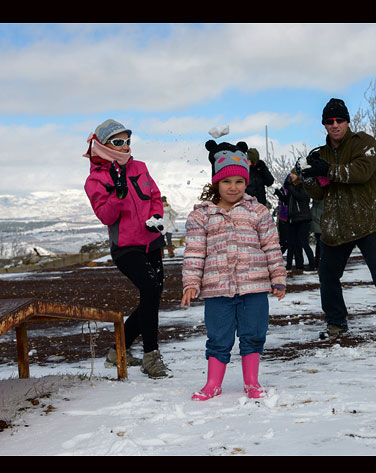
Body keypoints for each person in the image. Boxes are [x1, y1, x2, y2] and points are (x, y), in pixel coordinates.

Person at [181, 139, 286, 401]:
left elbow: (272, 247)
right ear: (216, 181)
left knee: (253, 335)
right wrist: (191, 283)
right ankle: (212, 384)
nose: (233, 187)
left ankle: (252, 382)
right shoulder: (201, 216)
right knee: (218, 337)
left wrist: (279, 278)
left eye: (239, 181)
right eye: (227, 181)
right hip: (217, 289)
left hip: (254, 287)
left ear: (247, 182)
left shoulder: (258, 212)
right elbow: (195, 253)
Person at [301, 98, 376, 340]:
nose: (335, 125)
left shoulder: (365, 143)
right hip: (336, 225)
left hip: (368, 220)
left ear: (347, 121)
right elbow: (318, 193)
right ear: (324, 125)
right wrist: (307, 176)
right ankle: (336, 323)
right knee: (327, 275)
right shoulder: (319, 154)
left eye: (339, 120)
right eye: (329, 121)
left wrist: (327, 170)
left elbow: (361, 173)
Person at [83, 119, 171, 379]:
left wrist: (156, 216)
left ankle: (116, 350)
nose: (125, 147)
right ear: (102, 145)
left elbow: (154, 195)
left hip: (151, 241)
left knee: (152, 296)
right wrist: (117, 195)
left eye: (127, 141)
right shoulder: (95, 180)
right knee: (150, 291)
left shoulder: (140, 167)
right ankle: (150, 356)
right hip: (126, 248)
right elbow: (107, 217)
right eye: (118, 142)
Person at [284, 170, 315, 272]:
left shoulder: (303, 186)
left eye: (293, 174)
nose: (291, 175)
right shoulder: (292, 187)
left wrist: (290, 188)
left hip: (303, 218)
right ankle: (299, 265)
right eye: (291, 174)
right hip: (295, 219)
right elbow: (289, 202)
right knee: (296, 244)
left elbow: (301, 197)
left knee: (304, 243)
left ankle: (312, 265)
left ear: (298, 176)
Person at [310, 198, 324, 268]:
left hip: (318, 221)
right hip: (319, 221)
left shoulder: (318, 198)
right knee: (320, 243)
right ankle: (319, 261)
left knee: (319, 243)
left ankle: (319, 261)